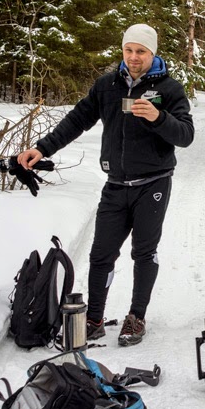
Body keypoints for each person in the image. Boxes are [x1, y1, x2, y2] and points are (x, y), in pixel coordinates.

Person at [17, 23, 194, 346]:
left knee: (143, 252)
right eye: (128, 50)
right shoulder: (107, 86)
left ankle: (136, 317)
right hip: (115, 184)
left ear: (152, 53)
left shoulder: (169, 89)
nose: (133, 57)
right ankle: (95, 319)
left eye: (141, 51)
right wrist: (41, 148)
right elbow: (76, 121)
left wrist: (158, 118)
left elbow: (185, 135)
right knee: (101, 255)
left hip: (153, 183)